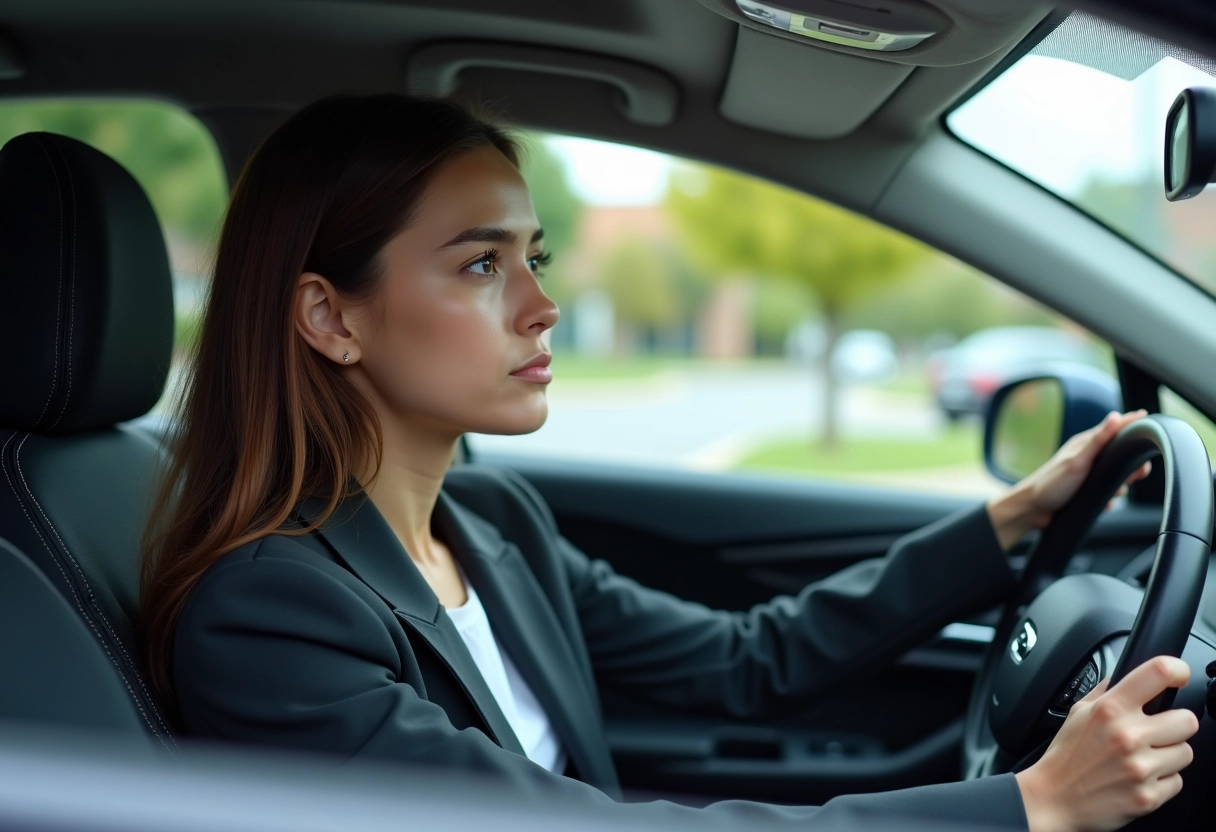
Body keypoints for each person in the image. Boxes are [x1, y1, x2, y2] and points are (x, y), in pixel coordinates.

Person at [141, 94, 1199, 832]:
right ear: (330, 317)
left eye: (533, 257)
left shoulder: (493, 523)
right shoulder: (269, 613)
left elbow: (749, 659)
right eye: (479, 263)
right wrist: (1028, 805)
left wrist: (1010, 518)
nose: (542, 304)